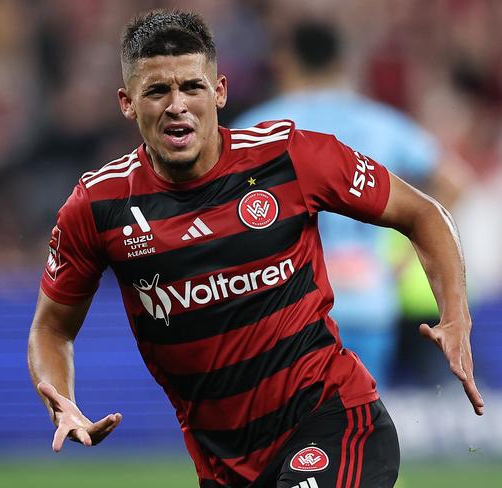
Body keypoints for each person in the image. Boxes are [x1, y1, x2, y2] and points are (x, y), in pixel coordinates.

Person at [27, 10, 484, 488]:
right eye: (157, 91)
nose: (177, 105)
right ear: (127, 102)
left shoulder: (288, 155)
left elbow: (424, 212)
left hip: (334, 421)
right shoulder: (97, 206)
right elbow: (51, 327)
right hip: (225, 465)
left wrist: (456, 315)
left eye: (192, 87)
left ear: (219, 91)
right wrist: (62, 399)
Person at [232, 20, 465, 389]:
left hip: (294, 305)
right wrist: (404, 253)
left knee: (300, 431)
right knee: (363, 425)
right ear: (339, 62)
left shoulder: (259, 126)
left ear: (285, 62)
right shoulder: (380, 122)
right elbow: (454, 181)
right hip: (369, 297)